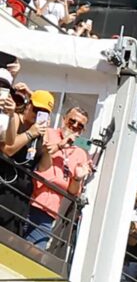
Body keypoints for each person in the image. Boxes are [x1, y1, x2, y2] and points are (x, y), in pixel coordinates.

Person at [25, 106, 93, 249]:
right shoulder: (49, 133)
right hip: (28, 198)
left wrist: (78, 178)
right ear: (63, 120)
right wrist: (61, 145)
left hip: (49, 212)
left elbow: (73, 191)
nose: (75, 126)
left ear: (83, 131)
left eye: (80, 126)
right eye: (72, 121)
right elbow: (38, 154)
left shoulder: (81, 154)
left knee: (32, 255)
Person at [0, 89, 53, 237]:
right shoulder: (16, 119)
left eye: (43, 112)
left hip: (20, 196)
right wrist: (30, 133)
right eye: (36, 109)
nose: (37, 114)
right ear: (28, 105)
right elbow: (7, 149)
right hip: (4, 184)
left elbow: (44, 168)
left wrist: (47, 149)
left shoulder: (40, 132)